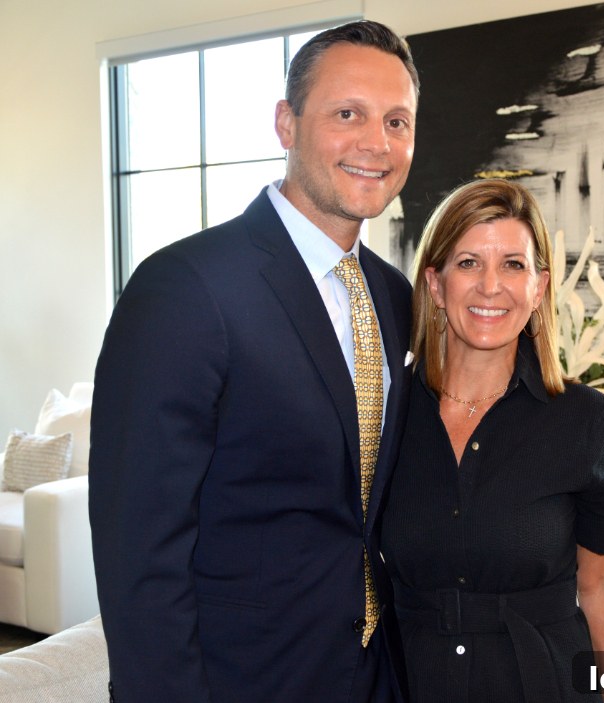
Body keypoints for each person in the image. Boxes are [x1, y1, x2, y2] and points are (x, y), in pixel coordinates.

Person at [89, 20, 418, 703]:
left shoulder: (392, 295)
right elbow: (137, 548)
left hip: (372, 672)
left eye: (396, 121)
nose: (376, 142)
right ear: (286, 123)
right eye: (347, 114)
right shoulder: (185, 287)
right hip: (242, 679)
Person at [380, 178, 604, 702]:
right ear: (435, 285)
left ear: (538, 288)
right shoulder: (385, 414)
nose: (490, 286)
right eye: (468, 263)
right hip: (410, 681)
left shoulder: (582, 420)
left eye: (513, 265)